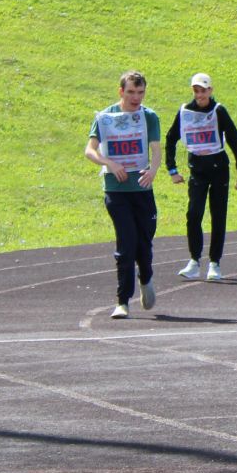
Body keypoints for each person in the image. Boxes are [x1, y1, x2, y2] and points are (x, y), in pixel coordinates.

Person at [84, 70, 162, 319]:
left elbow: (156, 149)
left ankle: (146, 277)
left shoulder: (149, 117)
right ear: (121, 92)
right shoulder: (106, 117)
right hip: (116, 190)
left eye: (140, 92)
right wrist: (109, 163)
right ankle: (122, 301)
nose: (135, 97)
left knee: (144, 244)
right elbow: (89, 150)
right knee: (126, 244)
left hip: (141, 189)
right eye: (130, 92)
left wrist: (153, 170)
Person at [165, 72, 237, 282]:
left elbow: (235, 141)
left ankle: (214, 263)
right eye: (196, 90)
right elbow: (171, 138)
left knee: (218, 216)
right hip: (197, 171)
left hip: (219, 168)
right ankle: (194, 261)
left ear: (210, 91)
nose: (200, 94)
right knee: (193, 214)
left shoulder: (218, 111)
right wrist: (172, 170)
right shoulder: (185, 111)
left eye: (203, 90)